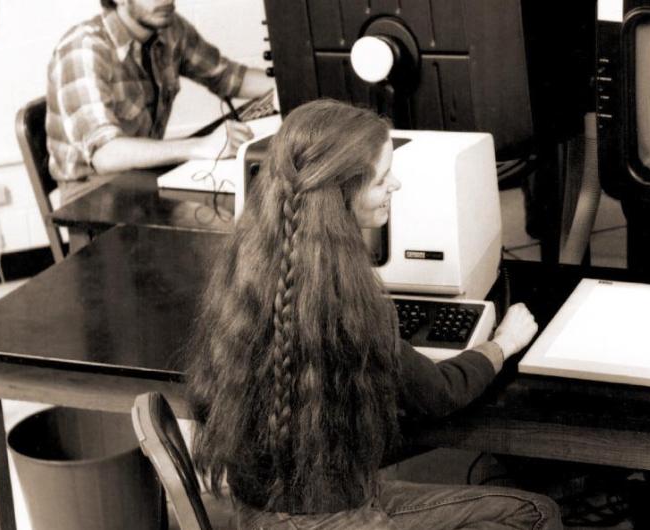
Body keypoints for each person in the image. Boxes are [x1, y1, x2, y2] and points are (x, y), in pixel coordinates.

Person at [186, 99, 562, 529]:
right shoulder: (349, 307)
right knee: (537, 514)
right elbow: (440, 393)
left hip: (260, 513)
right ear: (342, 194)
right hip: (335, 519)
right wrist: (504, 343)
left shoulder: (241, 277)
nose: (395, 185)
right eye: (382, 178)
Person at [46, 0, 276, 204]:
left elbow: (227, 77)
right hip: (91, 196)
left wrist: (289, 84)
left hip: (144, 176)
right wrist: (201, 146)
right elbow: (105, 154)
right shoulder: (83, 49)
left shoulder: (170, 29)